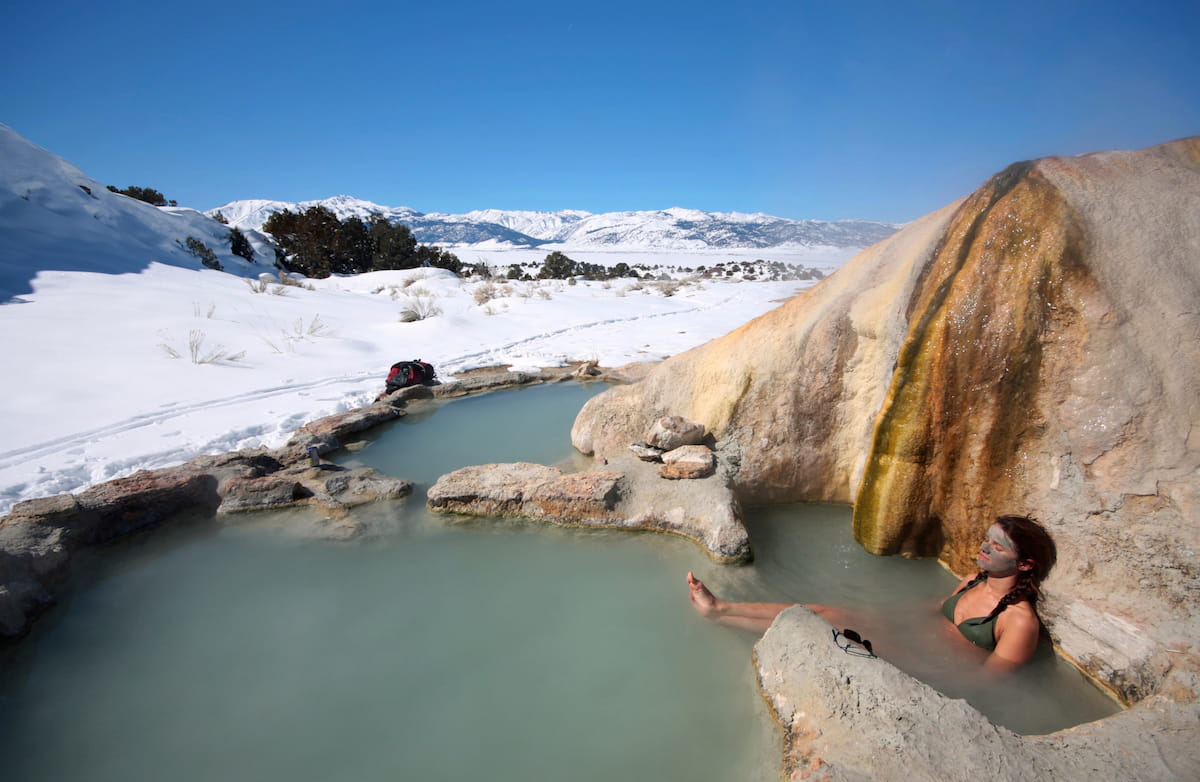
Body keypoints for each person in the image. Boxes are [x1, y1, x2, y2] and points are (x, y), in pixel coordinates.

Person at [686, 514, 1057, 672]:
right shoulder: (973, 579)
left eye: (998, 547)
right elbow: (933, 609)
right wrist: (883, 615)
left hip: (931, 664)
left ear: (1024, 565)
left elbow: (990, 682)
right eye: (986, 539)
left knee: (824, 624)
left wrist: (924, 670)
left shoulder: (1019, 621)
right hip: (914, 637)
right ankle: (720, 608)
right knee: (822, 608)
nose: (984, 548)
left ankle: (721, 614)